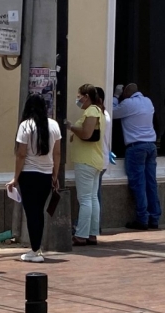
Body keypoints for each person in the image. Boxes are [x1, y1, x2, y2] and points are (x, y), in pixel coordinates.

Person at [7, 94, 61, 263]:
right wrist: (55, 175)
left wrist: (15, 177)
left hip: (28, 175)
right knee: (39, 212)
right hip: (46, 175)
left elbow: (21, 154)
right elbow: (57, 153)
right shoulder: (53, 125)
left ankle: (36, 250)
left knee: (31, 213)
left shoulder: (26, 126)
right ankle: (37, 249)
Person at [113, 83, 160, 230]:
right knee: (151, 183)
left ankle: (142, 219)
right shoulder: (148, 101)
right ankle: (154, 218)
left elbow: (112, 113)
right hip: (151, 146)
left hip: (136, 148)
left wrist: (115, 96)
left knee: (139, 184)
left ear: (126, 93)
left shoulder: (127, 103)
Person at [66, 84, 105, 246]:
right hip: (93, 160)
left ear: (86, 96)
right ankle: (92, 234)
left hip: (86, 161)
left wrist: (71, 127)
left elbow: (86, 134)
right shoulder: (98, 111)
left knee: (85, 199)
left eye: (79, 96)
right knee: (92, 198)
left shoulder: (92, 111)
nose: (78, 99)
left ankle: (81, 235)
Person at [95, 87, 112, 222]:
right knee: (95, 194)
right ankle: (95, 224)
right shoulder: (104, 114)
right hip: (101, 157)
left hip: (98, 158)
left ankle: (92, 225)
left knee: (92, 196)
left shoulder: (100, 116)